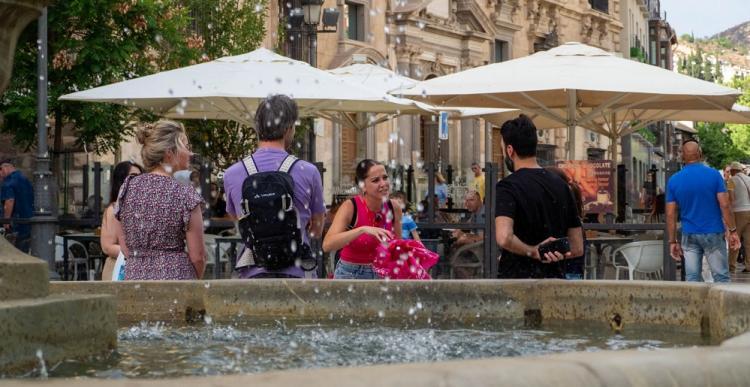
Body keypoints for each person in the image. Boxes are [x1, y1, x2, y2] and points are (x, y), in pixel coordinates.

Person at [223, 94, 326, 279]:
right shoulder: (309, 171)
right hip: (297, 273)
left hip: (252, 273)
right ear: (288, 128)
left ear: (258, 127)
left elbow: (238, 220)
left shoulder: (232, 173)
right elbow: (317, 229)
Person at [113, 121, 206, 280]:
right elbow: (198, 256)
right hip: (175, 282)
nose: (190, 153)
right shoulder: (184, 193)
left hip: (136, 280)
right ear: (169, 153)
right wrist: (192, 281)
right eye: (186, 146)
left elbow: (124, 246)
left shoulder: (128, 187)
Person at [494, 115, 584, 279]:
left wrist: (534, 251)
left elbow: (504, 237)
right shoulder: (561, 185)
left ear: (510, 150)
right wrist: (554, 252)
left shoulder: (507, 186)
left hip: (515, 283)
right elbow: (577, 246)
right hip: (554, 282)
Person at [666, 139, 739, 283]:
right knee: (721, 277)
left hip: (689, 234)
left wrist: (672, 241)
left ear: (682, 157)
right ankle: (722, 306)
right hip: (713, 231)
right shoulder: (713, 175)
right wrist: (733, 230)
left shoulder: (674, 180)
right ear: (700, 154)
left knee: (692, 278)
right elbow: (724, 205)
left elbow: (670, 214)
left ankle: (695, 306)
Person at [323, 159, 403, 279]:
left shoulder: (394, 207)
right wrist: (362, 230)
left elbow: (398, 246)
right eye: (376, 180)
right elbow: (327, 245)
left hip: (384, 273)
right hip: (351, 274)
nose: (383, 183)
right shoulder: (350, 207)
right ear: (363, 186)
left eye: (385, 177)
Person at [100, 161, 143, 281]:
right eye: (133, 177)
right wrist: (139, 253)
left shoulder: (140, 208)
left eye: (141, 177)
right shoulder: (113, 209)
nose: (138, 181)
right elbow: (107, 247)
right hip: (118, 271)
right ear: (121, 181)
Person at [546, 166, 585, 280]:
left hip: (567, 275)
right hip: (573, 274)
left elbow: (575, 250)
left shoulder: (563, 216)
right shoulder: (571, 213)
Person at [0, 159, 34, 253]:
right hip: (29, 221)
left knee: (14, 253)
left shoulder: (8, 183)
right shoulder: (25, 180)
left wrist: (6, 221)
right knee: (24, 252)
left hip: (16, 224)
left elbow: (9, 201)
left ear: (4, 168)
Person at [727, 161, 750, 273]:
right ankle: (749, 266)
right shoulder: (748, 179)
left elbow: (731, 198)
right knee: (748, 241)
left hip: (738, 212)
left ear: (733, 171)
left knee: (735, 238)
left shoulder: (731, 180)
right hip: (749, 211)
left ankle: (731, 266)